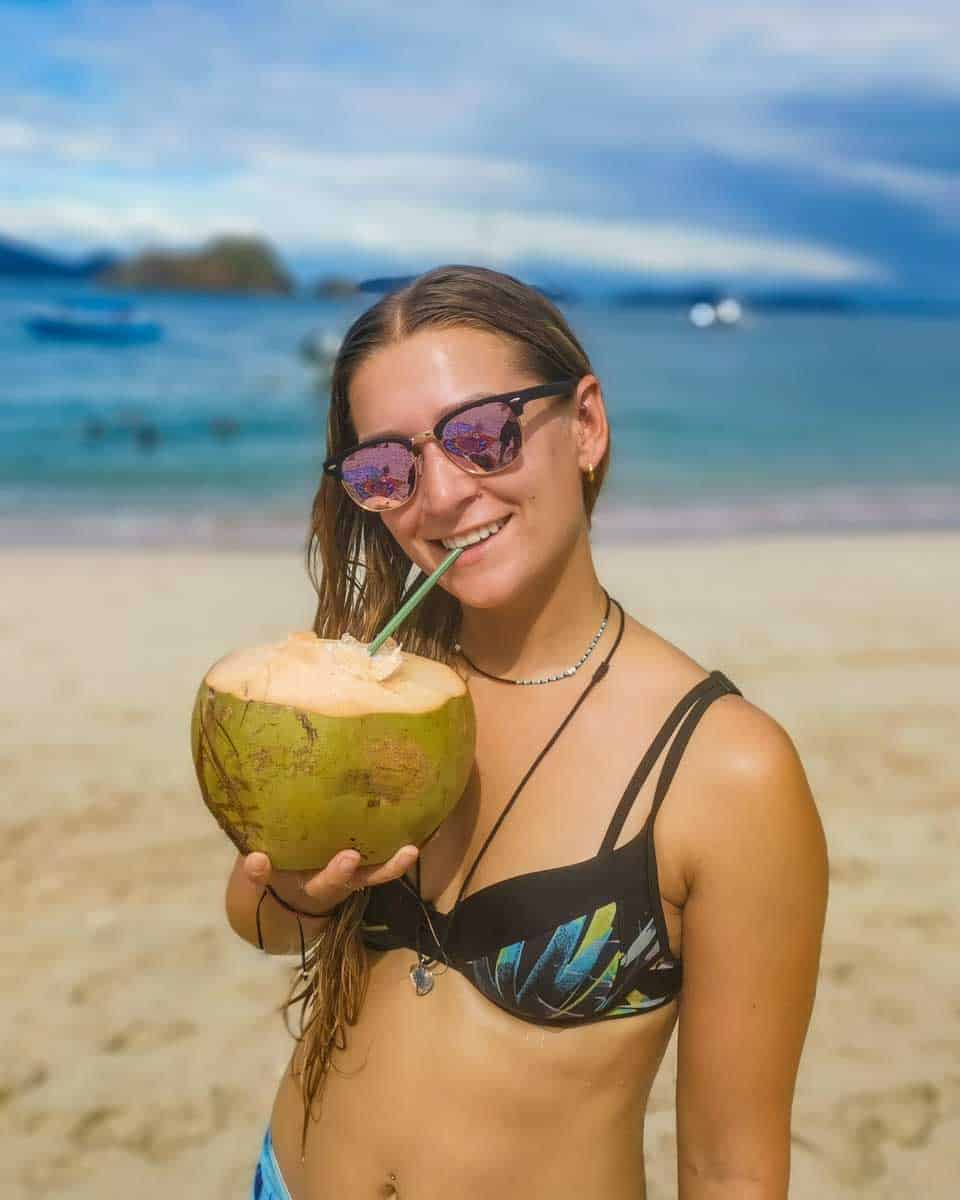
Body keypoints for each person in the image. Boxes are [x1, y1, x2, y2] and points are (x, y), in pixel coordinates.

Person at [224, 265, 828, 1199]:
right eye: (388, 467)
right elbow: (259, 920)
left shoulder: (727, 771)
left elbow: (730, 1170)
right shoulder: (375, 693)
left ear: (584, 426)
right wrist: (300, 892)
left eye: (479, 434)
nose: (442, 495)